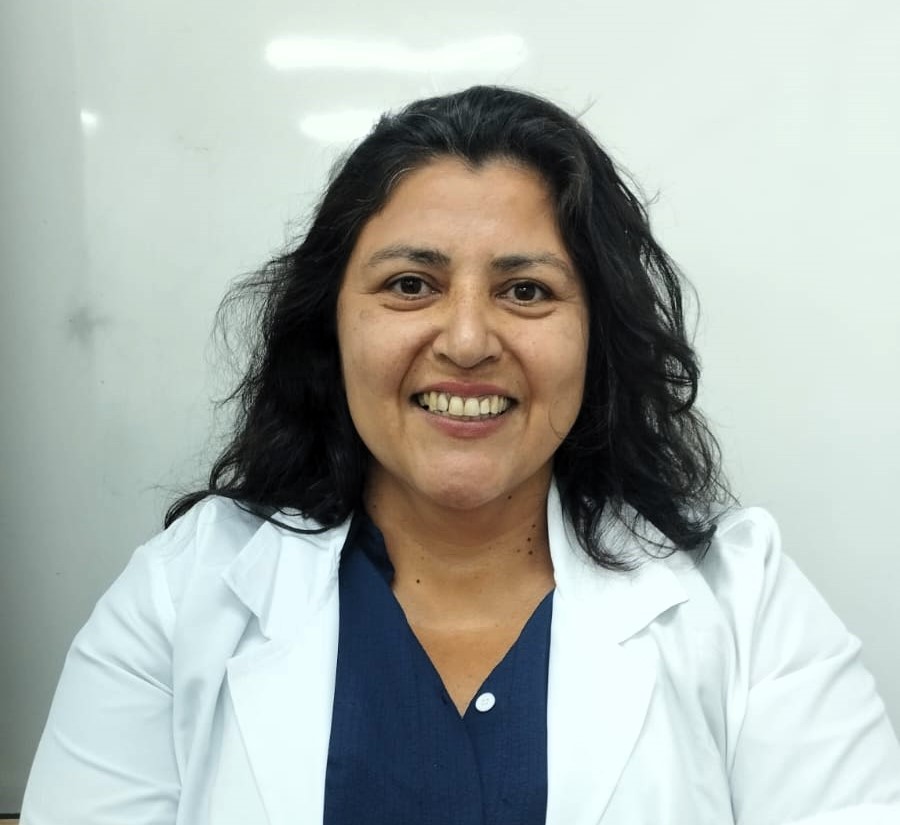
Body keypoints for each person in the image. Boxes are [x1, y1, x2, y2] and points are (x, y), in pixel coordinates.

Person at [21, 86, 900, 824]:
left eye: (527, 290)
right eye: (411, 285)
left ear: (598, 336)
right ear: (331, 325)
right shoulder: (181, 595)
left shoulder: (746, 604)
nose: (469, 340)